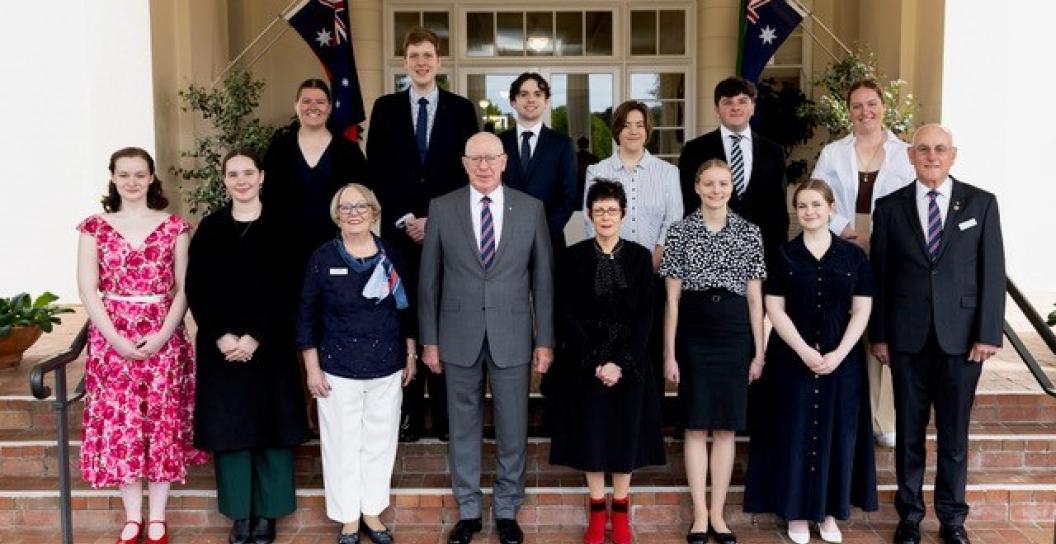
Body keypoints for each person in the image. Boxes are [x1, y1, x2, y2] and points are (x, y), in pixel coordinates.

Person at [870, 124, 1005, 544]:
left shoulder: (981, 204)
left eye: (939, 149)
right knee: (909, 434)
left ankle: (952, 518)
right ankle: (909, 516)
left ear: (953, 155)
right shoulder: (890, 207)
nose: (931, 156)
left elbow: (992, 273)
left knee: (953, 436)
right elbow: (880, 276)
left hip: (963, 341)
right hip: (907, 339)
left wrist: (988, 334)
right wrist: (880, 335)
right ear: (910, 156)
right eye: (923, 149)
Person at [418, 132, 554, 544]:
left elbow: (544, 281)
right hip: (456, 335)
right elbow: (429, 280)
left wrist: (544, 339)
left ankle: (509, 508)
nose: (483, 165)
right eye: (475, 158)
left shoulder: (531, 209)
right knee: (463, 426)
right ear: (463, 163)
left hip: (513, 335)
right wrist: (429, 340)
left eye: (490, 158)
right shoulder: (442, 208)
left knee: (513, 425)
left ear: (504, 161)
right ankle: (470, 510)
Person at [76, 147, 208, 544]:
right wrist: (115, 339)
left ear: (151, 178)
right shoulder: (93, 228)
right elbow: (87, 288)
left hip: (163, 334)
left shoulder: (174, 227)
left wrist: (166, 332)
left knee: (161, 421)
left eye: (139, 174)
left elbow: (185, 287)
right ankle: (132, 517)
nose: (132, 182)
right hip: (111, 338)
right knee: (123, 425)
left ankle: (158, 518)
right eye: (124, 174)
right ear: (113, 178)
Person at [185, 149, 310, 544]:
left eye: (247, 173)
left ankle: (269, 514)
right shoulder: (210, 228)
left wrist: (256, 336)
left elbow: (291, 289)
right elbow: (197, 288)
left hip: (270, 345)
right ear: (225, 181)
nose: (241, 180)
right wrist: (222, 334)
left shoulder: (283, 226)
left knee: (272, 426)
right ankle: (241, 515)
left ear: (261, 177)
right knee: (231, 429)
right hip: (221, 349)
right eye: (233, 174)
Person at [744, 179, 878, 544]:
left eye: (816, 204)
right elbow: (774, 308)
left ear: (831, 208)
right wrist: (804, 350)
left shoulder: (854, 258)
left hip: (842, 361)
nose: (809, 212)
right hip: (792, 358)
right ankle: (797, 513)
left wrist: (839, 353)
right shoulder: (784, 255)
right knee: (794, 433)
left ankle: (829, 513)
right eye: (802, 206)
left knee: (838, 434)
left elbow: (862, 310)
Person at [367, 27, 478, 443]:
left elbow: (468, 171)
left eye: (428, 55)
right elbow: (375, 170)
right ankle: (409, 416)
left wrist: (434, 219)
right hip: (399, 234)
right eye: (413, 55)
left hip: (448, 232)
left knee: (447, 318)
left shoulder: (461, 110)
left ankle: (448, 418)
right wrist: (405, 218)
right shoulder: (386, 108)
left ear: (439, 61)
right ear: (404, 62)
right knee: (403, 316)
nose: (421, 62)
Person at [296, 183, 417, 544]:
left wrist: (410, 353)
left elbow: (406, 309)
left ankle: (372, 513)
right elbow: (306, 314)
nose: (354, 213)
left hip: (387, 364)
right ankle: (348, 518)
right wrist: (312, 366)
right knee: (342, 445)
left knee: (379, 443)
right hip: (337, 367)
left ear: (374, 212)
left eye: (361, 206)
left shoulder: (392, 253)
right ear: (337, 215)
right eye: (346, 208)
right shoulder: (322, 258)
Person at [547, 179, 666, 544]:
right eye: (598, 210)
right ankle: (597, 513)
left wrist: (622, 363)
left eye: (612, 210)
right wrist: (597, 361)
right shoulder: (573, 257)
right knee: (594, 437)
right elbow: (565, 313)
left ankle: (622, 513)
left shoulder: (640, 257)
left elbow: (647, 316)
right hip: (586, 363)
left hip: (630, 364)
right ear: (589, 214)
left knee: (625, 437)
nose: (605, 216)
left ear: (623, 214)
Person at [660, 159, 766, 544]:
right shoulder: (680, 232)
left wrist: (759, 352)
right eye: (709, 183)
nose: (716, 189)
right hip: (694, 330)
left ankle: (719, 514)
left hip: (735, 332)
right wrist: (669, 354)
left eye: (723, 183)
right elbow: (671, 300)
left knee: (725, 427)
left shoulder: (750, 233)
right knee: (694, 424)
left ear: (731, 187)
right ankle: (699, 515)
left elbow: (756, 300)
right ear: (697, 187)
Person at [811, 79, 916, 449]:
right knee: (847, 323)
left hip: (895, 245)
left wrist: (881, 237)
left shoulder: (906, 153)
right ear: (848, 111)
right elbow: (818, 195)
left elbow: (916, 199)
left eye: (871, 104)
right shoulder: (833, 152)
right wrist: (848, 231)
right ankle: (849, 413)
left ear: (884, 106)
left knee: (885, 327)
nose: (865, 112)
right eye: (857, 105)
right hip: (844, 239)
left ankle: (882, 417)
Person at [583, 100, 683, 431]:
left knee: (645, 351)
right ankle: (610, 428)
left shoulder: (668, 174)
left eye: (639, 124)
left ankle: (644, 430)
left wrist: (648, 264)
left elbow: (673, 224)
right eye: (626, 124)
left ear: (648, 130)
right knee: (609, 349)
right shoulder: (598, 172)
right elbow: (590, 223)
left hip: (652, 275)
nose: (633, 131)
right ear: (616, 131)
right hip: (606, 278)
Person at [677, 76, 788, 260]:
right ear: (716, 110)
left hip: (763, 255)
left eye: (743, 101)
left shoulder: (773, 151)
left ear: (752, 107)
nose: (735, 107)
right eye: (727, 102)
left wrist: (779, 257)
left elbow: (779, 210)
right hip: (710, 254)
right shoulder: (694, 150)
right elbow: (688, 204)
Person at [262, 78, 369, 266]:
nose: (313, 107)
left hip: (338, 249)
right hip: (286, 250)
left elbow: (362, 198)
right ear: (296, 106)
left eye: (320, 102)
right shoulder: (279, 148)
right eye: (306, 101)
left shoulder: (348, 150)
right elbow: (268, 199)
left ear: (329, 107)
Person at [499, 72, 578, 249]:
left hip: (549, 241)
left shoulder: (562, 144)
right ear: (513, 101)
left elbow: (569, 196)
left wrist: (544, 233)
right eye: (523, 94)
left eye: (538, 94)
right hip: (505, 241)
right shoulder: (499, 143)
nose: (531, 100)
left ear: (547, 102)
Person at [575, 136, 600, 203]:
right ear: (588, 145)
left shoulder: (574, 157)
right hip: (589, 183)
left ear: (578, 145)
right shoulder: (593, 158)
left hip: (578, 185)